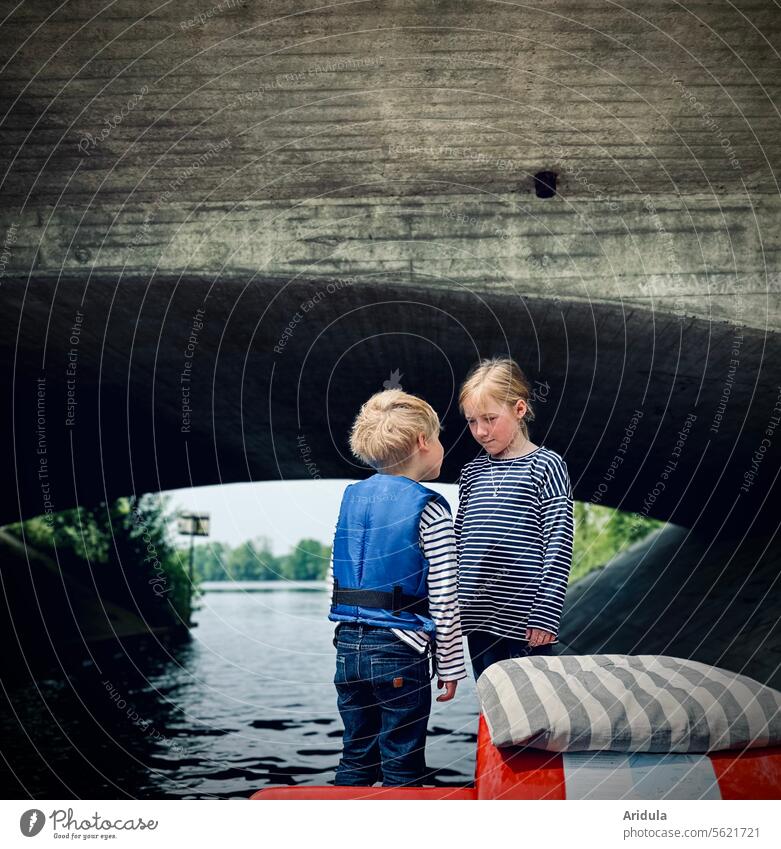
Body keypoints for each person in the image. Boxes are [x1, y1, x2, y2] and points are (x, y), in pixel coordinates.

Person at [328, 389, 466, 787]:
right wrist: (450, 665)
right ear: (423, 442)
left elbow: (337, 574)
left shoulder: (350, 497)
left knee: (356, 756)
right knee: (402, 766)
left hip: (348, 648)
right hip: (399, 652)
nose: (442, 447)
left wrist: (349, 642)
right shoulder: (431, 506)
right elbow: (444, 596)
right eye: (439, 438)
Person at [455, 357, 574, 681]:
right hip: (476, 616)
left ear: (519, 410)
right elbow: (459, 542)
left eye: (490, 419)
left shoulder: (546, 466)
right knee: (491, 703)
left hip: (525, 620)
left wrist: (546, 613)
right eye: (471, 421)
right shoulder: (471, 472)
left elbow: (558, 543)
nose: (480, 431)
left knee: (531, 709)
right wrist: (450, 609)